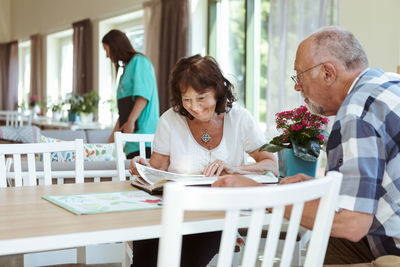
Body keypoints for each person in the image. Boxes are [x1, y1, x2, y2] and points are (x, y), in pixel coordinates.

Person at [213, 26, 400, 264]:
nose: (297, 87)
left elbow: (353, 223)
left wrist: (260, 194)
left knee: (332, 237)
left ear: (328, 73)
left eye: (299, 76)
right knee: (328, 243)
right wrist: (322, 186)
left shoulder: (356, 112)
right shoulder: (389, 84)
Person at [130, 54, 278, 267]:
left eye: (201, 98)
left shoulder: (239, 118)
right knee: (147, 248)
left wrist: (234, 169)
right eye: (187, 99)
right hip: (173, 211)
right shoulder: (170, 120)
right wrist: (141, 167)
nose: (194, 107)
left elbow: (271, 165)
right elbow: (157, 169)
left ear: (217, 91)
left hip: (218, 213)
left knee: (178, 258)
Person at [102, 29, 159, 159]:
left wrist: (131, 121)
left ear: (115, 46)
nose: (106, 55)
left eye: (106, 50)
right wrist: (108, 145)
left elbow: (143, 97)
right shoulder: (126, 69)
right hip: (131, 143)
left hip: (144, 140)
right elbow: (124, 114)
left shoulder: (140, 62)